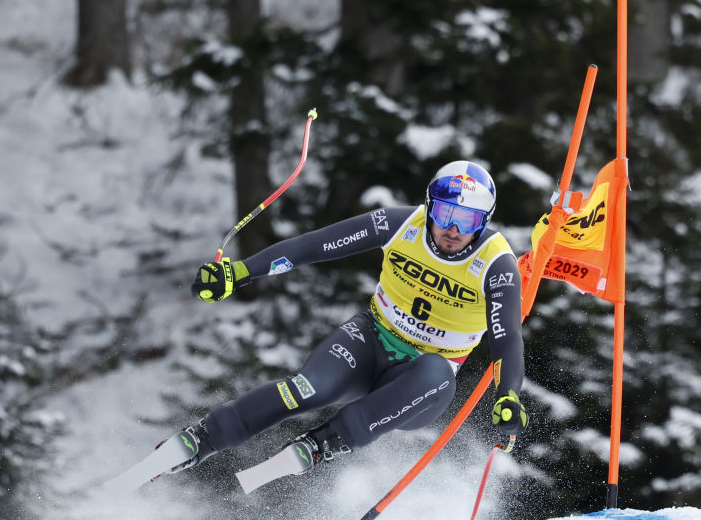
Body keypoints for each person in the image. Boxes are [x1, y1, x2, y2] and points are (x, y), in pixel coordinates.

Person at [161, 160, 529, 483]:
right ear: (429, 207)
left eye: (468, 220)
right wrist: (240, 272)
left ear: (484, 221)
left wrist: (508, 394)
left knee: (436, 372)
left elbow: (507, 338)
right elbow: (314, 246)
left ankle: (322, 444)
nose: (453, 230)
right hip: (372, 338)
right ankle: (202, 438)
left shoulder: (497, 264)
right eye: (446, 214)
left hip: (421, 380)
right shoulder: (401, 225)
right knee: (308, 389)